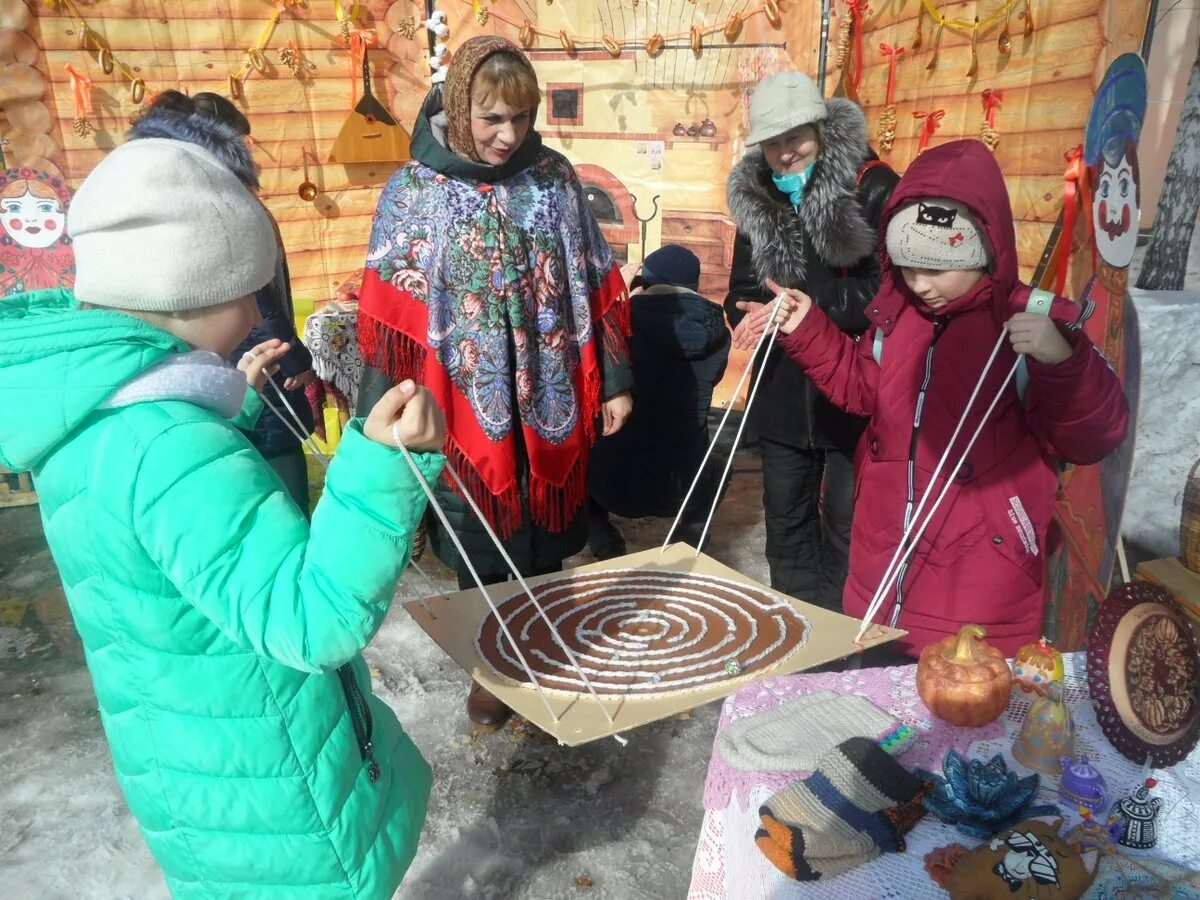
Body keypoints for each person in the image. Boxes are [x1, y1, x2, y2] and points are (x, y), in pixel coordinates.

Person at [0, 137, 447, 898]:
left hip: (204, 774)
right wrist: (385, 466)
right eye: (248, 290)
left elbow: (177, 551)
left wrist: (220, 405)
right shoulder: (169, 447)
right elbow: (311, 621)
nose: (255, 310)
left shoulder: (99, 418)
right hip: (275, 797)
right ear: (193, 288)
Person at [738, 139, 1129, 656]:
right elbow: (862, 391)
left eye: (936, 269)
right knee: (879, 719)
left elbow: (1092, 436)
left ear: (984, 250)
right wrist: (809, 326)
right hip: (881, 575)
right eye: (906, 266)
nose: (919, 284)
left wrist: (1062, 361)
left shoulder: (1025, 326)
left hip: (978, 590)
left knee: (962, 715)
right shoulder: (897, 318)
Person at [355, 36, 633, 731]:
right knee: (480, 542)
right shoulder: (414, 190)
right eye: (491, 119)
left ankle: (540, 653)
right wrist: (374, 417)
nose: (509, 136)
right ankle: (492, 671)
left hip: (547, 393)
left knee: (543, 539)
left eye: (521, 117)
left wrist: (617, 380)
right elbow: (390, 311)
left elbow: (597, 282)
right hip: (458, 400)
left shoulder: (555, 179)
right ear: (459, 110)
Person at [725, 71, 899, 610]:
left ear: (820, 128)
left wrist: (815, 312)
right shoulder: (757, 197)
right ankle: (798, 631)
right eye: (772, 142)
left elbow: (891, 290)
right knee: (787, 521)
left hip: (851, 388)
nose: (784, 153)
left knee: (847, 527)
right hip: (780, 389)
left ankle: (838, 639)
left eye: (795, 136)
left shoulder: (870, 186)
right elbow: (740, 288)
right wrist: (744, 316)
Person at [128, 89, 318, 513]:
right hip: (251, 363)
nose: (250, 150)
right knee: (276, 476)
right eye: (242, 139)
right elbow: (259, 297)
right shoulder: (222, 205)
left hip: (232, 366)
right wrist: (294, 359)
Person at [587, 244, 731, 557]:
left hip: (611, 484)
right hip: (681, 488)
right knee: (721, 464)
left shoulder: (620, 321)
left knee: (577, 454)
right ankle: (687, 541)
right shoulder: (718, 333)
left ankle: (603, 540)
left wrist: (614, 301)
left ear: (645, 280)